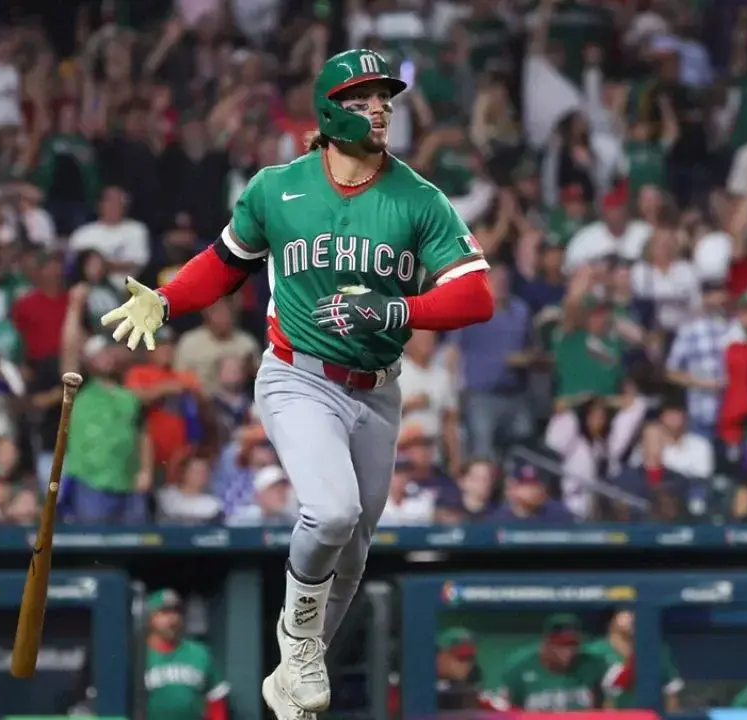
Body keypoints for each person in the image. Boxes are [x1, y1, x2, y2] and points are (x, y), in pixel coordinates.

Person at [99, 49, 494, 720]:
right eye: (364, 98)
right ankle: (299, 642)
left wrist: (397, 308)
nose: (381, 109)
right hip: (298, 375)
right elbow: (225, 263)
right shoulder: (276, 188)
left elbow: (476, 295)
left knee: (356, 547)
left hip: (377, 388)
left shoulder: (417, 197)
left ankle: (291, 669)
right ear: (330, 110)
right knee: (332, 511)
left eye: (385, 99)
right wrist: (167, 301)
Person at [143, 589, 230, 720]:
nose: (172, 619)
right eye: (164, 612)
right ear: (150, 617)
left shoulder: (199, 653)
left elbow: (216, 699)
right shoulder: (137, 655)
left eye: (176, 612)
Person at [491, 614, 607, 710]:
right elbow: (505, 711)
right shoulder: (519, 667)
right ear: (545, 645)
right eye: (561, 645)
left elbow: (608, 707)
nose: (569, 651)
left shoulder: (593, 665)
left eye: (573, 644)